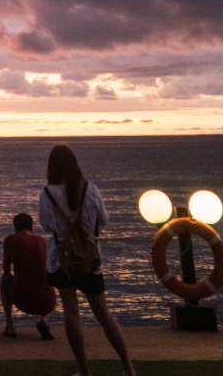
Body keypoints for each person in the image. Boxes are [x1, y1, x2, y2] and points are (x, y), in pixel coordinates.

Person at [38, 144, 136, 376]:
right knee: (103, 313)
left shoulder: (48, 193)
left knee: (71, 314)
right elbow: (103, 220)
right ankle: (128, 368)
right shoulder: (90, 189)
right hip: (90, 259)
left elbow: (46, 225)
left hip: (62, 261)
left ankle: (84, 370)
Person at [0, 211, 56, 338]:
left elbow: (6, 269)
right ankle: (44, 320)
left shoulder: (11, 239)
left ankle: (10, 326)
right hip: (47, 302)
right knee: (51, 286)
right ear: (32, 227)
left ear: (15, 228)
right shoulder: (43, 242)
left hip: (21, 298)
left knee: (4, 279)